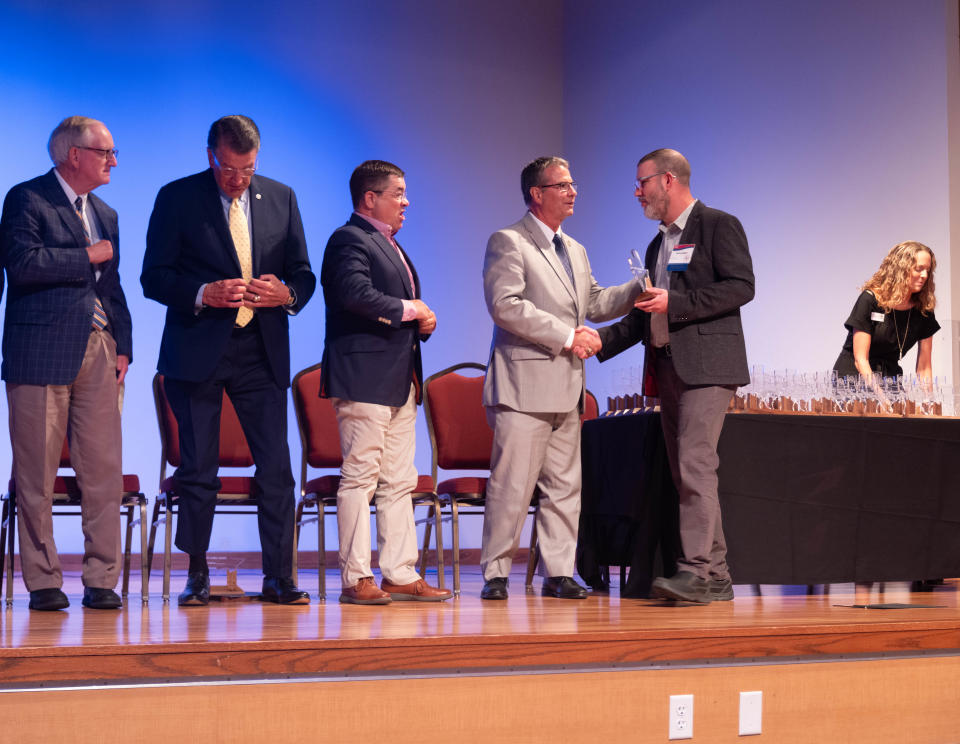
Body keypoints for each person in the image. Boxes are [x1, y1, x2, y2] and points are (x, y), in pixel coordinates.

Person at [141, 115, 315, 607]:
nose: (238, 179)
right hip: (197, 351)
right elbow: (153, 277)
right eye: (228, 169)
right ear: (210, 155)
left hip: (261, 350)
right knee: (199, 468)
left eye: (248, 169)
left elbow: (303, 274)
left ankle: (279, 576)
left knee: (277, 470)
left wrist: (286, 293)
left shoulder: (280, 197)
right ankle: (196, 574)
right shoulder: (177, 197)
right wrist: (202, 293)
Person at [594, 149, 755, 604]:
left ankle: (697, 571)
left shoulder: (718, 225)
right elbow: (646, 312)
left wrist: (676, 305)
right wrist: (596, 342)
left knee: (695, 465)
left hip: (708, 368)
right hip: (667, 368)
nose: (636, 191)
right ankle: (716, 574)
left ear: (667, 180)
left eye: (641, 182)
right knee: (687, 472)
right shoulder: (657, 244)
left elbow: (742, 286)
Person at [479, 156, 638, 601]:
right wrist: (568, 337)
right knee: (512, 486)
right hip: (523, 386)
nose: (573, 191)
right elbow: (506, 305)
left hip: (567, 387)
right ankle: (495, 572)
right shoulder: (510, 241)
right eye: (562, 185)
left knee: (565, 487)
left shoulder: (575, 249)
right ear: (537, 193)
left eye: (573, 183)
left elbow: (596, 302)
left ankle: (559, 571)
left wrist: (641, 288)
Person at [0, 116, 132, 611]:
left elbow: (111, 287)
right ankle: (42, 580)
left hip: (98, 347)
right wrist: (86, 254)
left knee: (104, 470)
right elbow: (23, 263)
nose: (113, 161)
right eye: (106, 152)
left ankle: (102, 578)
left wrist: (124, 344)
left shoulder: (106, 212)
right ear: (73, 154)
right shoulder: (27, 198)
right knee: (36, 472)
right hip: (39, 352)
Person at [320, 160, 451, 605]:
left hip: (399, 380)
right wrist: (413, 309)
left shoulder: (389, 244)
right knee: (360, 479)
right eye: (398, 193)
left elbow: (397, 307)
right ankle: (356, 577)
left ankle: (399, 572)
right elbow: (353, 294)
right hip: (363, 378)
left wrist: (422, 321)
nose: (406, 201)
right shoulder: (348, 239)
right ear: (370, 198)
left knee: (399, 481)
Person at [833, 241, 938, 382]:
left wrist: (928, 402)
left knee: (904, 404)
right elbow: (860, 360)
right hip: (854, 377)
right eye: (919, 269)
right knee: (878, 404)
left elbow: (924, 367)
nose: (925, 275)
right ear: (901, 269)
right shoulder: (870, 300)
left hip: (889, 377)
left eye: (928, 270)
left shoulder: (924, 309)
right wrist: (883, 401)